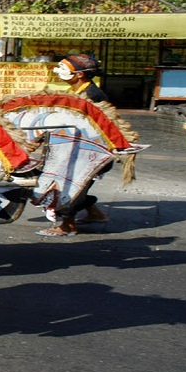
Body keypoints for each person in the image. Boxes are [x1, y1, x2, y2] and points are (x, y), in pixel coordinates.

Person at [36, 54, 110, 237]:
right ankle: (95, 214)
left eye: (63, 69)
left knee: (69, 186)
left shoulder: (93, 96)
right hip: (80, 149)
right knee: (81, 186)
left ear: (79, 75)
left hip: (89, 152)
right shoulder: (79, 92)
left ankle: (67, 226)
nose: (57, 72)